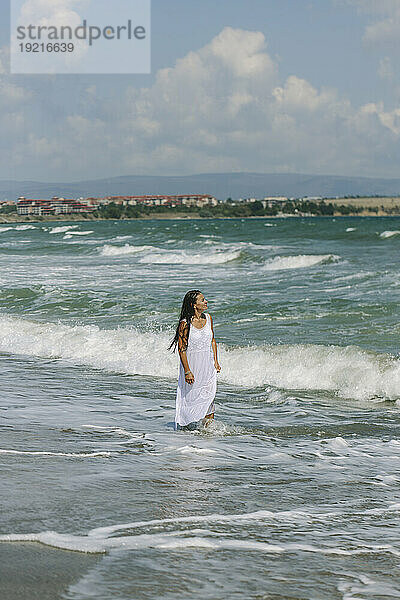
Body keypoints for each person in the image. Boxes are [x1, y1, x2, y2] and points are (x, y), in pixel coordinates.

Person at [169, 290, 221, 430]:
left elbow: (212, 340)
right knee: (191, 397)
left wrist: (215, 361)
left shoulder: (208, 318)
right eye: (202, 300)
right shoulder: (185, 324)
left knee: (210, 396)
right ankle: (186, 427)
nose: (206, 302)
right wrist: (187, 371)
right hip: (193, 365)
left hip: (207, 365)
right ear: (193, 305)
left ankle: (207, 430)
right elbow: (182, 349)